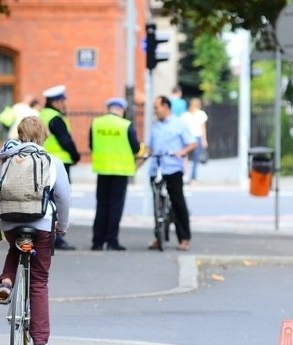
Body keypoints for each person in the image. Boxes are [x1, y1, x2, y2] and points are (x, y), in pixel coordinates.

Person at [0, 116, 71, 345]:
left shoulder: (7, 158)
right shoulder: (52, 161)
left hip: (11, 222)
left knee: (16, 247)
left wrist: (1, 215)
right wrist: (62, 226)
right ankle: (41, 344)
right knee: (38, 281)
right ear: (43, 135)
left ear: (19, 133)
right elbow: (64, 198)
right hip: (42, 224)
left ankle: (6, 281)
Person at [145, 96, 197, 251]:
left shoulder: (179, 124)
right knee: (157, 204)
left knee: (178, 203)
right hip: (157, 168)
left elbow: (192, 143)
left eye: (157, 108)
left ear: (166, 107)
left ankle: (184, 238)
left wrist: (181, 152)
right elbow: (149, 147)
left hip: (173, 168)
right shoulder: (155, 126)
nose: (155, 111)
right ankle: (159, 236)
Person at [89, 97, 140, 251]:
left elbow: (91, 145)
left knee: (101, 205)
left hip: (102, 170)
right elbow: (136, 148)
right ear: (121, 110)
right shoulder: (126, 125)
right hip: (120, 171)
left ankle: (97, 242)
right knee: (115, 207)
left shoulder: (96, 123)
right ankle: (112, 241)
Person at [40, 84, 80, 250]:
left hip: (41, 162)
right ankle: (56, 238)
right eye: (62, 101)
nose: (65, 104)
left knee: (44, 199)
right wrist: (75, 155)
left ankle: (43, 234)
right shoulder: (55, 118)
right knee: (58, 199)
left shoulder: (42, 114)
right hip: (58, 163)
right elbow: (65, 141)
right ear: (55, 102)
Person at [181, 98, 208, 183]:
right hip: (197, 137)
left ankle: (185, 175)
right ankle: (193, 177)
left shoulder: (185, 115)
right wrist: (204, 140)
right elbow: (202, 128)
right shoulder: (201, 114)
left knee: (185, 158)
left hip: (187, 138)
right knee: (195, 160)